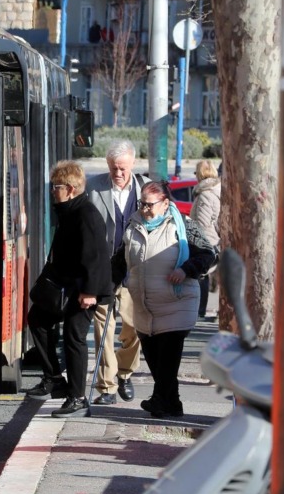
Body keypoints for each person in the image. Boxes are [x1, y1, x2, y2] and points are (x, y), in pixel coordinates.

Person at [112, 181, 217, 418]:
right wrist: (106, 285)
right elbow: (121, 260)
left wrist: (186, 270)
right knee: (154, 358)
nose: (145, 209)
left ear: (165, 204)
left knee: (167, 360)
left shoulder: (183, 226)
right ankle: (172, 403)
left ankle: (159, 400)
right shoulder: (134, 225)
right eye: (142, 204)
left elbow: (208, 254)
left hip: (176, 302)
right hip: (145, 306)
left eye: (150, 205)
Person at [24, 160, 113, 417]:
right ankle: (54, 378)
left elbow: (95, 256)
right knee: (38, 320)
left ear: (71, 189)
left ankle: (77, 398)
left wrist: (90, 293)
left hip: (84, 290)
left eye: (57, 186)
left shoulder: (85, 213)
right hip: (67, 287)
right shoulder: (69, 211)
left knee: (74, 336)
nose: (53, 191)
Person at [86, 140, 147, 406]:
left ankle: (125, 373)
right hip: (104, 271)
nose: (118, 173)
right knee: (104, 330)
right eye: (113, 168)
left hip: (135, 271)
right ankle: (107, 387)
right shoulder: (94, 187)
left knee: (134, 330)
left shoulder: (146, 189)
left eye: (122, 168)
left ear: (132, 164)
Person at [190, 160, 221, 318]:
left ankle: (199, 312)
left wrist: (194, 239)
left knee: (201, 275)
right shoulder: (215, 190)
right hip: (214, 240)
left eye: (196, 173)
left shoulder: (205, 195)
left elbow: (202, 223)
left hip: (205, 241)